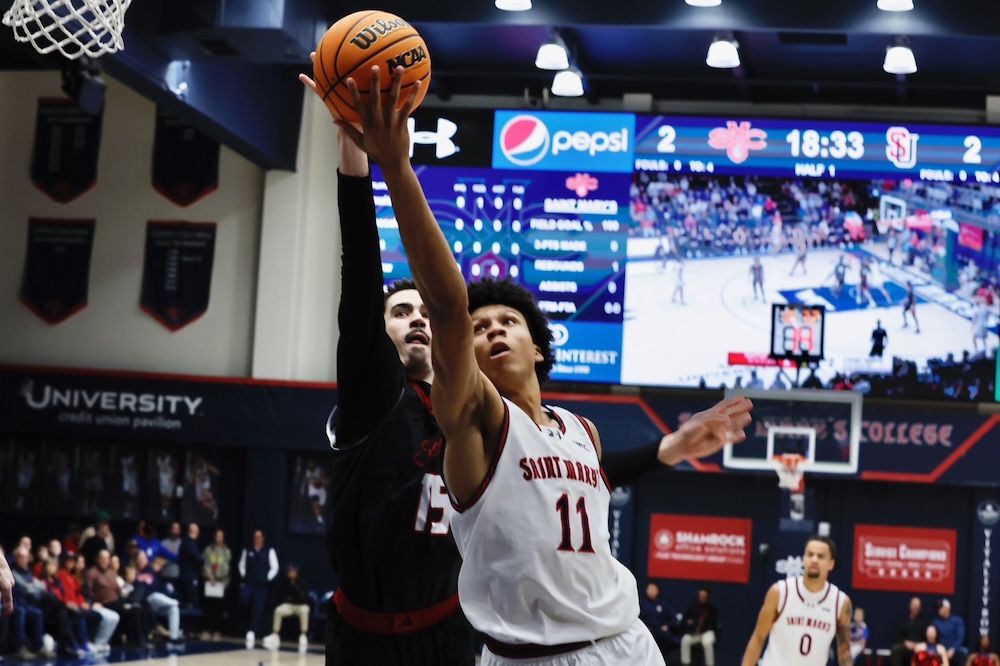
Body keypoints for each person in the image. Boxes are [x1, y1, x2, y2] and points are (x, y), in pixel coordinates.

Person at [336, 65, 753, 666]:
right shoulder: (477, 420)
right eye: (480, 331)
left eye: (508, 322)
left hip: (628, 643)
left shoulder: (580, 432)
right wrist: (398, 170)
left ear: (539, 346)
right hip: (533, 657)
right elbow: (450, 309)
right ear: (465, 360)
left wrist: (674, 446)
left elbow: (586, 484)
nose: (491, 331)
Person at [741, 535, 853, 666]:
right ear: (803, 559)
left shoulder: (841, 602)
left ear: (831, 564)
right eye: (810, 554)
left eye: (821, 556)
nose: (814, 560)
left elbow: (844, 651)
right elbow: (758, 638)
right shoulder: (780, 592)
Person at [238, 529, 278, 648]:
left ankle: (252, 631)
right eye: (255, 537)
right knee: (244, 598)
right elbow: (241, 565)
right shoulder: (248, 550)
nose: (257, 539)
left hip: (262, 585)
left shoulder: (269, 551)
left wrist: (267, 577)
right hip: (250, 583)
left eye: (259, 537)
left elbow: (275, 567)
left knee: (259, 608)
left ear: (263, 538)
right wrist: (244, 574)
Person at [263, 563, 311, 653]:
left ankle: (303, 635)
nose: (290, 573)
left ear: (297, 572)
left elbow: (305, 597)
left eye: (292, 571)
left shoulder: (303, 581)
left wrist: (296, 592)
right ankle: (275, 634)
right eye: (289, 571)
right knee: (278, 610)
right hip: (289, 605)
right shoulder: (285, 582)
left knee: (305, 610)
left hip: (301, 605)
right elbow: (283, 596)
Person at [201, 528, 231, 640]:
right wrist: (210, 577)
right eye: (217, 536)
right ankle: (207, 630)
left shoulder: (226, 551)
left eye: (221, 536)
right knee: (209, 607)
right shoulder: (208, 550)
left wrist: (217, 578)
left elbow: (225, 567)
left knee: (219, 608)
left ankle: (217, 631)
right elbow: (206, 564)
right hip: (210, 582)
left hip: (221, 583)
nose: (219, 538)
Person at [681, 586, 719, 666]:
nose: (702, 598)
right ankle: (685, 663)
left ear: (707, 596)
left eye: (704, 597)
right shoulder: (693, 606)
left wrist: (702, 628)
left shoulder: (712, 609)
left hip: (707, 632)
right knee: (685, 640)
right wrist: (692, 625)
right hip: (695, 633)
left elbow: (713, 624)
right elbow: (685, 619)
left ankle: (710, 664)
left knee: (707, 643)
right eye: (701, 596)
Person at [640, 582, 677, 659]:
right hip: (647, 630)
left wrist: (667, 626)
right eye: (649, 589)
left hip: (660, 629)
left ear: (657, 591)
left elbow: (674, 618)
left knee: (667, 637)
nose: (651, 591)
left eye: (653, 589)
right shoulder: (642, 604)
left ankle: (663, 659)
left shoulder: (663, 603)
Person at [890, 597, 929, 666]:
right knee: (895, 649)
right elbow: (897, 636)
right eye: (914, 605)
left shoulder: (925, 622)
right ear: (910, 606)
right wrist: (905, 642)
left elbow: (928, 639)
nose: (916, 608)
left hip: (920, 647)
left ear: (920, 607)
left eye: (918, 606)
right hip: (906, 646)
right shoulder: (903, 620)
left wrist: (918, 645)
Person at [932, 599, 967, 665]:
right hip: (940, 648)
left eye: (941, 607)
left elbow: (961, 637)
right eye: (938, 608)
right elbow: (933, 638)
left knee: (964, 652)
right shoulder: (935, 622)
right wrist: (942, 650)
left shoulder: (957, 620)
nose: (939, 610)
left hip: (954, 648)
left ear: (947, 608)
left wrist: (953, 649)